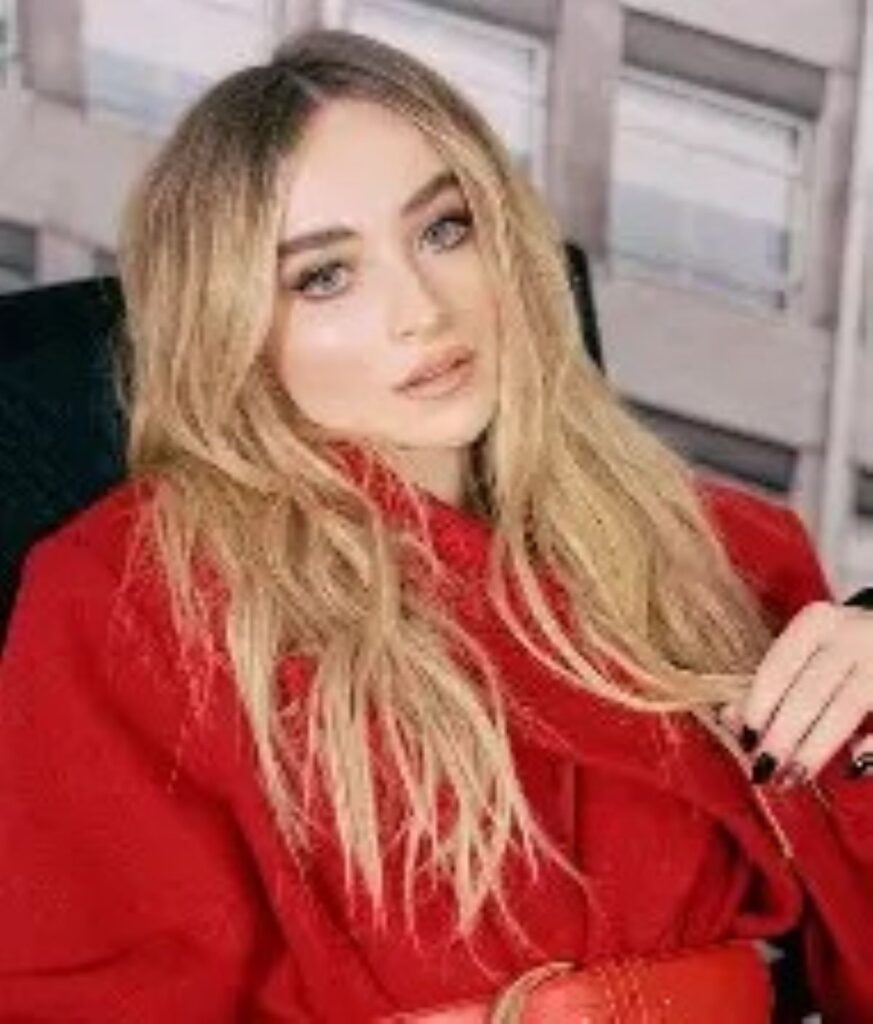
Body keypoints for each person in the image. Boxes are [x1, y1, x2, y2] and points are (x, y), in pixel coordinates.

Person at [0, 29, 871, 1023]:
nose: (421, 310)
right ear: (230, 325)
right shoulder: (133, 596)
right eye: (324, 276)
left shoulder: (728, 550)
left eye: (445, 229)